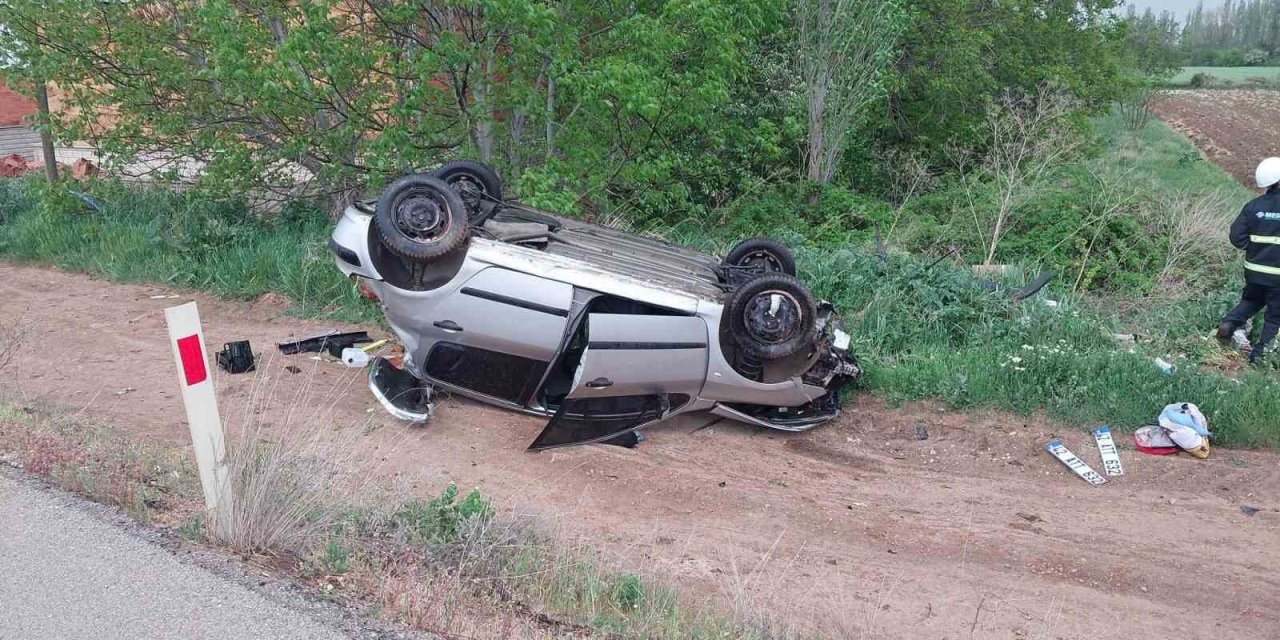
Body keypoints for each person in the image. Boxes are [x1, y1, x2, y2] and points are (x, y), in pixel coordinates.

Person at [1218, 157, 1280, 363]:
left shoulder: (1253, 206)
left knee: (1251, 300)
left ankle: (1228, 324)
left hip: (1254, 271)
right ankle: (1260, 355)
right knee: (1274, 317)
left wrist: (1256, 249)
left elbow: (1236, 237)